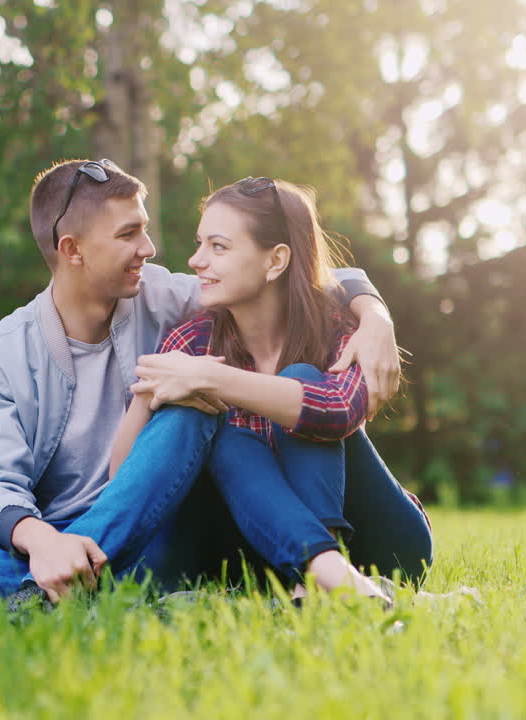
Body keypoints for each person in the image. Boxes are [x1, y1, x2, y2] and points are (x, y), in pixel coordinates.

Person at [0, 159, 426, 604]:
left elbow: (288, 275)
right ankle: (49, 590)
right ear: (73, 251)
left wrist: (374, 312)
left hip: (154, 533)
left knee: (194, 408)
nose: (152, 251)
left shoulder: (162, 294)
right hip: (54, 538)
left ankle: (56, 596)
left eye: (146, 232)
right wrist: (47, 543)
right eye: (130, 234)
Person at [113, 177, 431, 603]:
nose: (195, 260)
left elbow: (335, 410)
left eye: (218, 247)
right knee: (223, 433)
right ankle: (320, 573)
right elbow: (123, 478)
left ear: (276, 261)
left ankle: (328, 563)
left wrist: (213, 380)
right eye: (199, 243)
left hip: (383, 546)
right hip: (259, 552)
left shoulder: (341, 330)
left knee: (301, 375)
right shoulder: (191, 342)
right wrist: (147, 393)